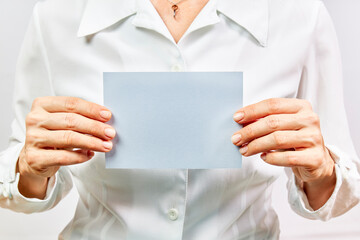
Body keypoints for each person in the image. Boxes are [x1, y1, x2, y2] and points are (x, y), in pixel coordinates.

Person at [0, 0, 359, 239]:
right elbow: (19, 185)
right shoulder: (57, 15)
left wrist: (322, 171)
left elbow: (339, 191)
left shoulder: (299, 14)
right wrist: (30, 168)